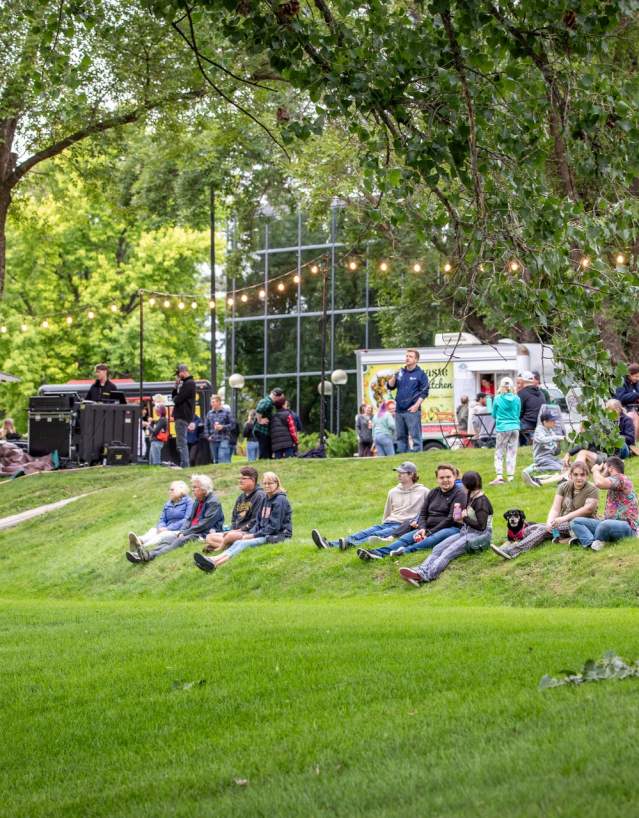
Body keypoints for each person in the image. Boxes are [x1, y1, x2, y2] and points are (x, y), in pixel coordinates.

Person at [399, 471, 493, 585]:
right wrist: (460, 518)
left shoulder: (481, 502)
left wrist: (465, 518)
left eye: (462, 483)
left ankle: (426, 575)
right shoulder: (471, 496)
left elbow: (482, 527)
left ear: (468, 485)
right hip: (465, 532)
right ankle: (420, 569)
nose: (461, 485)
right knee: (438, 548)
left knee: (448, 552)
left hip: (479, 536)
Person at [491, 461, 599, 560]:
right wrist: (549, 522)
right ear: (570, 475)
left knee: (542, 531)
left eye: (582, 475)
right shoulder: (563, 486)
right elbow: (555, 508)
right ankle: (563, 538)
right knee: (530, 529)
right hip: (562, 523)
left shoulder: (592, 489)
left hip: (580, 524)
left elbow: (588, 509)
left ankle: (513, 551)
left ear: (587, 475)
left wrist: (563, 518)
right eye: (575, 474)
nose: (579, 478)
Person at [357, 463, 466, 560]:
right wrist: (422, 528)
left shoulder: (459, 493)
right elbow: (423, 513)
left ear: (454, 477)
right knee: (405, 539)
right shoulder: (433, 492)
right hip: (428, 526)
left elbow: (451, 518)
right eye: (442, 477)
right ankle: (378, 553)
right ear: (437, 479)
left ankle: (404, 551)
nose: (445, 480)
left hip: (450, 528)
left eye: (448, 477)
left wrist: (429, 532)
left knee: (431, 539)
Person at [311, 462, 428, 549]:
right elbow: (387, 511)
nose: (398, 475)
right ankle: (329, 544)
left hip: (403, 526)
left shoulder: (424, 492)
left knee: (376, 535)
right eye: (398, 472)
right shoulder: (393, 491)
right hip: (389, 522)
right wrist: (384, 523)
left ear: (411, 474)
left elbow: (426, 512)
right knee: (364, 532)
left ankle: (346, 545)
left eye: (401, 473)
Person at [193, 471, 292, 572]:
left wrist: (253, 536)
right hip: (264, 534)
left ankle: (215, 563)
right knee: (239, 541)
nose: (267, 486)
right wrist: (251, 533)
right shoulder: (266, 498)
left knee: (241, 543)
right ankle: (212, 560)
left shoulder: (280, 500)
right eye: (265, 483)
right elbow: (258, 521)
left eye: (270, 483)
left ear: (277, 483)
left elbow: (274, 527)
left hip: (278, 536)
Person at [126, 474, 223, 562]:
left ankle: (150, 555)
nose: (192, 490)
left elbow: (204, 524)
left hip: (204, 533)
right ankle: (143, 554)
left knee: (180, 540)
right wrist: (182, 531)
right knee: (168, 539)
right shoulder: (198, 500)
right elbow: (189, 519)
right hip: (193, 530)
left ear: (204, 489)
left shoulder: (213, 503)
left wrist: (185, 533)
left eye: (195, 487)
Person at [569, 456, 638, 551]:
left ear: (610, 469)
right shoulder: (614, 482)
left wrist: (596, 470)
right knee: (575, 521)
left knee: (604, 525)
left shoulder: (621, 478)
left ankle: (591, 539)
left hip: (628, 527)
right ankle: (591, 543)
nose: (602, 471)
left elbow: (599, 483)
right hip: (609, 524)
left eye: (604, 468)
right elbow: (594, 484)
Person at [202, 466, 266, 553]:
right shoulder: (241, 497)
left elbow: (255, 521)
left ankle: (222, 546)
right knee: (209, 537)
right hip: (235, 532)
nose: (240, 481)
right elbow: (234, 517)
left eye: (244, 478)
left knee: (230, 536)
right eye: (240, 478)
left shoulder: (260, 496)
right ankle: (230, 545)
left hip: (248, 533)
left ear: (253, 480)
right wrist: (233, 529)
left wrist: (238, 530)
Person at [126, 481, 193, 553]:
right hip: (166, 528)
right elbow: (162, 519)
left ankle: (142, 547)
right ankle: (139, 540)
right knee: (153, 530)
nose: (169, 492)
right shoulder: (167, 504)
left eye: (172, 489)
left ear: (181, 489)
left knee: (163, 534)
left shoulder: (188, 501)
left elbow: (187, 520)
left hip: (179, 530)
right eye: (169, 490)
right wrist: (161, 527)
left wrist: (168, 528)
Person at [387, 348, 429, 453]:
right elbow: (390, 386)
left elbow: (424, 392)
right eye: (406, 356)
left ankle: (417, 457)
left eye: (410, 356)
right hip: (399, 410)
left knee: (415, 436)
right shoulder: (401, 372)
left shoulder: (421, 374)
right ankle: (403, 457)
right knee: (400, 437)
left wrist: (416, 406)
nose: (407, 358)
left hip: (412, 410)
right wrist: (394, 377)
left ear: (416, 360)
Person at [521, 411, 565, 487]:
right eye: (552, 420)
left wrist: (559, 445)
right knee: (559, 468)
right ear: (545, 422)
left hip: (551, 458)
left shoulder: (551, 431)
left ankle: (538, 468)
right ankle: (535, 468)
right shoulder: (539, 430)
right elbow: (542, 439)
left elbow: (555, 453)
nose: (554, 422)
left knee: (565, 466)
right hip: (542, 458)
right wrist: (557, 438)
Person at [490, 377, 521, 485]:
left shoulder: (497, 398)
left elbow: (493, 414)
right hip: (515, 427)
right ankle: (511, 477)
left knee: (499, 452)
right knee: (512, 452)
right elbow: (518, 413)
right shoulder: (517, 398)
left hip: (502, 428)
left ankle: (499, 476)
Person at [171, 364, 196, 469]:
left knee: (181, 443)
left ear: (184, 371)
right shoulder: (186, 383)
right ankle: (184, 464)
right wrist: (175, 387)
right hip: (182, 417)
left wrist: (176, 391)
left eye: (179, 374)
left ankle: (185, 465)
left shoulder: (189, 383)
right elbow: (175, 398)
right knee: (180, 442)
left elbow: (177, 399)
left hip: (182, 416)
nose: (178, 376)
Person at [517, 370, 545, 444]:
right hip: (540, 423)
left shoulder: (522, 393)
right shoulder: (541, 393)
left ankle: (522, 445)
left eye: (520, 381)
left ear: (523, 381)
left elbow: (519, 412)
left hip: (528, 423)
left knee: (511, 424)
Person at [270, 391, 298, 459]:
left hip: (276, 445)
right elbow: (292, 430)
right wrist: (296, 441)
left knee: (278, 464)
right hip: (288, 444)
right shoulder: (288, 415)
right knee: (290, 462)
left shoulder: (272, 417)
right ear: (283, 405)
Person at [205, 394, 232, 464]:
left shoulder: (227, 412)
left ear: (219, 402)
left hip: (224, 438)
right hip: (213, 439)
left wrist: (223, 427)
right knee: (215, 460)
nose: (212, 404)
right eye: (211, 402)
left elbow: (233, 425)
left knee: (223, 458)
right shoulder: (209, 413)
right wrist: (208, 436)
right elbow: (206, 426)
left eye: (213, 402)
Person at [254, 389, 279, 460]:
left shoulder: (268, 401)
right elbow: (259, 410)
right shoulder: (267, 402)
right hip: (262, 430)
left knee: (267, 451)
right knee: (264, 452)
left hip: (264, 431)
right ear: (276, 397)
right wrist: (260, 420)